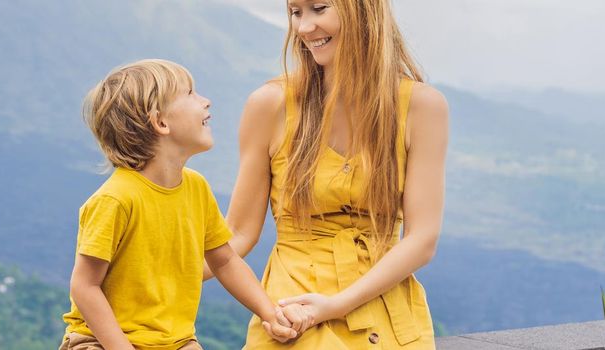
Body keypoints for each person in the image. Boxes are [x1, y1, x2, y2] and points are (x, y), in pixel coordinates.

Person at [217, 1, 450, 348]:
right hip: (293, 316)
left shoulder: (422, 106)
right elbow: (236, 233)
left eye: (319, 8)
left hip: (385, 314)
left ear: (363, 10)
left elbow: (422, 240)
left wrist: (334, 306)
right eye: (296, 13)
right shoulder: (270, 104)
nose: (304, 27)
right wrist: (153, 275)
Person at [60, 59, 300, 350]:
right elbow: (84, 286)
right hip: (101, 341)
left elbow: (224, 260)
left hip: (176, 342)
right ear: (161, 122)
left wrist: (269, 313)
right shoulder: (116, 199)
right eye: (190, 94)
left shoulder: (196, 187)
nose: (206, 102)